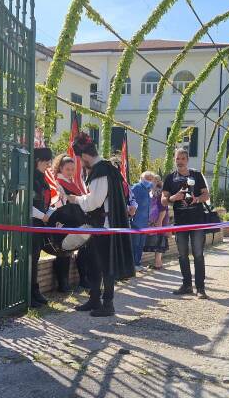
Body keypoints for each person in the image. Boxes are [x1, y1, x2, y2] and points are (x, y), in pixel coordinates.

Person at [68, 132, 135, 316]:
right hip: (100, 224)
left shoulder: (101, 171)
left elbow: (94, 202)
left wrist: (76, 199)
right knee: (94, 263)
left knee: (105, 265)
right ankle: (95, 299)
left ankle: (107, 304)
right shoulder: (107, 168)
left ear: (84, 156)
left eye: (80, 159)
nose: (81, 163)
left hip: (103, 225)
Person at [161, 147, 211, 299]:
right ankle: (187, 285)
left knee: (198, 255)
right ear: (174, 160)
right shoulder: (170, 178)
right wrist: (172, 198)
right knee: (182, 255)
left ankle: (200, 288)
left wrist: (197, 199)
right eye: (177, 158)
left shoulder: (196, 175)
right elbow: (163, 200)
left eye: (183, 159)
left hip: (197, 221)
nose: (180, 161)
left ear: (187, 160)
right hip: (180, 221)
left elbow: (206, 195)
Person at [51, 154, 89, 292]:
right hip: (64, 220)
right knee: (63, 251)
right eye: (68, 169)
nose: (71, 172)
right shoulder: (57, 183)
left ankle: (83, 278)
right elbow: (58, 203)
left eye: (73, 169)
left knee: (83, 248)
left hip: (77, 220)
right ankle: (63, 283)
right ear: (60, 168)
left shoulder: (74, 183)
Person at [29, 146, 55, 307]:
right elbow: (26, 204)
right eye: (47, 162)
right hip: (31, 223)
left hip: (40, 224)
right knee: (30, 259)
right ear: (38, 161)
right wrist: (43, 216)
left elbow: (45, 203)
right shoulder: (31, 178)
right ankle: (29, 293)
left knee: (36, 258)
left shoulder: (42, 178)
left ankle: (35, 290)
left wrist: (52, 215)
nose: (49, 165)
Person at [128, 171, 154, 269]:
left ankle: (137, 263)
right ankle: (133, 264)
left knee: (140, 244)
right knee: (135, 244)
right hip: (135, 222)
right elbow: (131, 202)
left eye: (151, 179)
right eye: (148, 179)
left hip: (144, 223)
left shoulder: (147, 190)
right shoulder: (136, 188)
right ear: (142, 178)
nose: (150, 181)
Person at [143, 174, 169, 269]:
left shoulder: (160, 193)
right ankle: (158, 263)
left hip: (158, 221)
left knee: (160, 241)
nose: (152, 182)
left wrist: (159, 221)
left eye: (154, 181)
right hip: (152, 222)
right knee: (157, 241)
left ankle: (158, 263)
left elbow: (163, 208)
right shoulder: (152, 192)